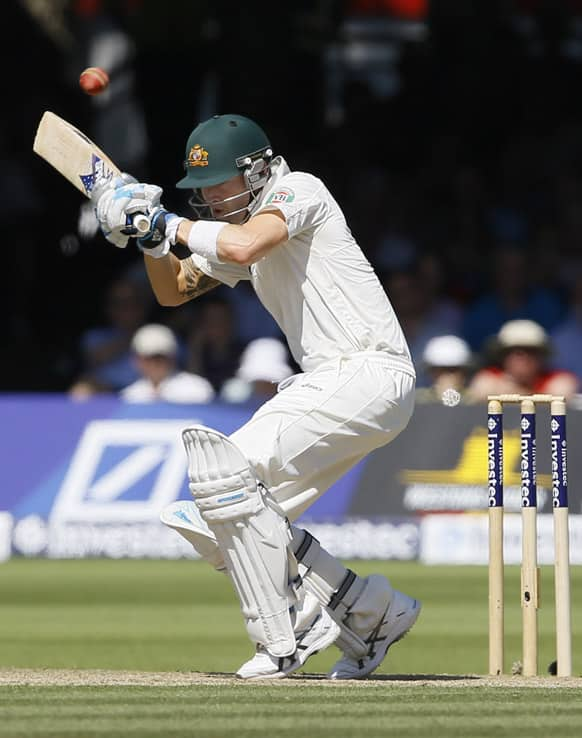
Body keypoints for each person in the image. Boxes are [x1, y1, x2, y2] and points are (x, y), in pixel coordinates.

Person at [92, 113, 420, 680]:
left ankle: (285, 637)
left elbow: (244, 246)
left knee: (224, 473)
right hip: (338, 386)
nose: (213, 200)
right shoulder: (230, 223)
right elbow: (173, 289)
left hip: (368, 371)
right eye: (202, 192)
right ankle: (370, 613)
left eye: (220, 184)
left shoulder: (299, 190)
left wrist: (165, 221)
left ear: (257, 169)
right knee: (218, 521)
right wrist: (150, 239)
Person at [467, 319, 579, 401]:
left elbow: (564, 391)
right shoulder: (489, 378)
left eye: (531, 351)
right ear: (503, 355)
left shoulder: (554, 380)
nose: (524, 357)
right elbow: (481, 389)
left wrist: (513, 392)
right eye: (516, 351)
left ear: (541, 356)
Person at [120, 323, 215, 404]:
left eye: (160, 357)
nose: (155, 363)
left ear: (172, 357)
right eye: (148, 358)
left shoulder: (197, 388)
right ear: (137, 360)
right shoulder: (130, 395)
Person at [220, 337, 295, 403]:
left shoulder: (291, 403)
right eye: (258, 382)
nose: (263, 388)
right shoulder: (232, 395)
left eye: (269, 383)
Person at [416, 334, 474, 404]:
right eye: (440, 370)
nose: (446, 377)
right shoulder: (416, 400)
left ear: (465, 372)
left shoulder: (479, 400)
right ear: (430, 372)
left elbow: (490, 413)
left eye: (452, 370)